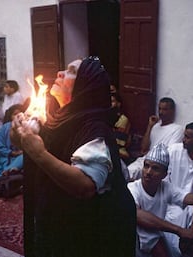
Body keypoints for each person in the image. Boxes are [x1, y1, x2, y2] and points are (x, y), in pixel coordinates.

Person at [11, 57, 136, 257]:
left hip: (92, 230)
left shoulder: (94, 129)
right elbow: (23, 143)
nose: (60, 73)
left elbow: (85, 186)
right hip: (62, 217)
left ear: (84, 87)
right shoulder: (58, 118)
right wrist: (18, 131)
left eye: (70, 71)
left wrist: (39, 154)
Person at [128, 143, 193, 257]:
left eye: (155, 168)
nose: (148, 172)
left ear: (164, 174)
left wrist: (192, 231)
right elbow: (138, 214)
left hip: (155, 236)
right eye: (146, 166)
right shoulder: (132, 188)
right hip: (134, 240)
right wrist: (179, 230)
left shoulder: (166, 187)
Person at [128, 97, 184, 181]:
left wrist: (151, 153)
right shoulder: (155, 126)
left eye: (165, 109)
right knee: (127, 172)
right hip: (144, 160)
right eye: (160, 109)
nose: (161, 112)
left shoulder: (177, 129)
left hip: (157, 165)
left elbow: (169, 153)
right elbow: (143, 148)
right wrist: (150, 126)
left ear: (172, 111)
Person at [0, 104, 24, 177]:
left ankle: (9, 173)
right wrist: (13, 153)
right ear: (11, 117)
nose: (18, 116)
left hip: (21, 157)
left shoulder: (28, 128)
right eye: (15, 114)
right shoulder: (4, 128)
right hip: (8, 157)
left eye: (20, 113)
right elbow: (0, 147)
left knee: (24, 157)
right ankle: (7, 172)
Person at [111, 92, 131, 162]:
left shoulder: (123, 119)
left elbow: (118, 141)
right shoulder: (105, 117)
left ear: (119, 104)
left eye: (113, 101)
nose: (110, 104)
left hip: (119, 151)